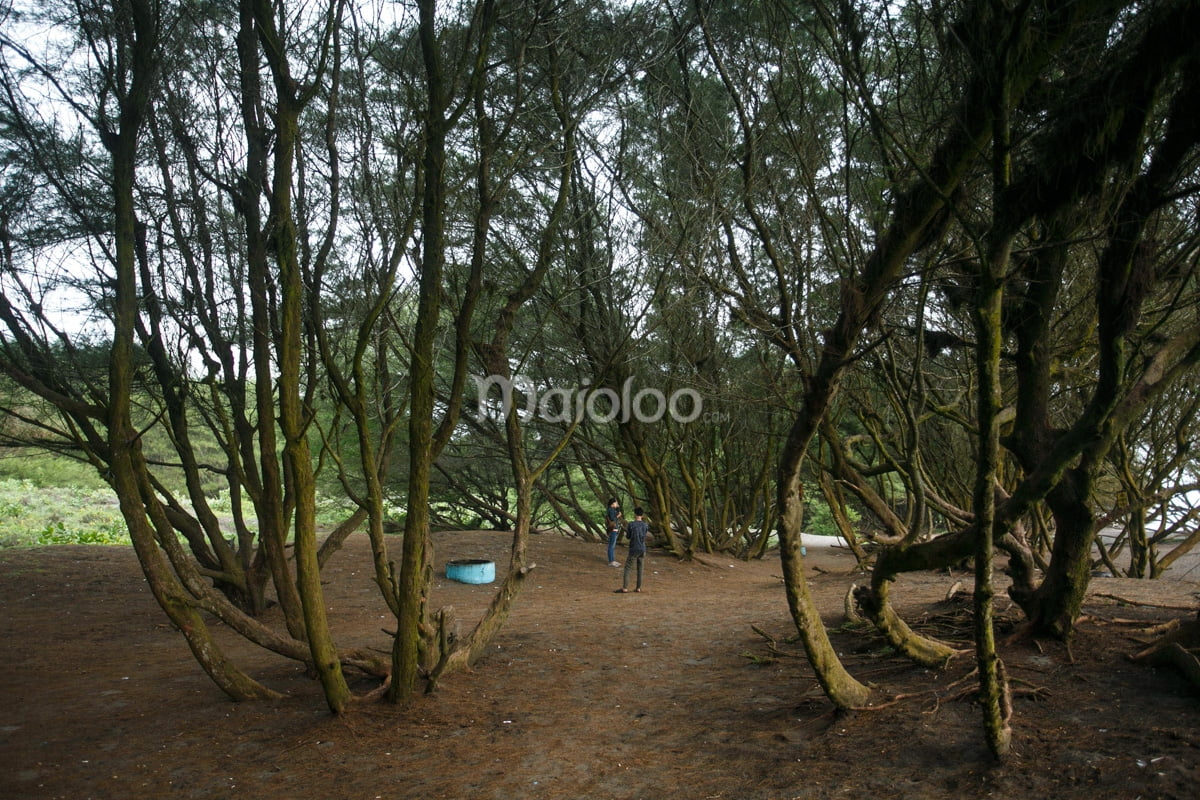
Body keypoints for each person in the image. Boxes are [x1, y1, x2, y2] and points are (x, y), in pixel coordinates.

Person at [616, 507, 650, 593]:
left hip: (634, 548)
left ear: (635, 514)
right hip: (642, 548)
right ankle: (638, 588)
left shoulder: (631, 524)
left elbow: (628, 536)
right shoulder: (645, 525)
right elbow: (644, 535)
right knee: (640, 568)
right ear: (642, 515)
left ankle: (625, 588)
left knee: (628, 567)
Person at [604, 498, 624, 566]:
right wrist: (618, 516)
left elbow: (617, 512)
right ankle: (611, 561)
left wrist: (617, 507)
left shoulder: (613, 509)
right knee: (611, 546)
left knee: (612, 546)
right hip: (612, 529)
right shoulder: (610, 510)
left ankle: (613, 560)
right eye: (616, 503)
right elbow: (613, 519)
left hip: (614, 529)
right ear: (612, 504)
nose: (617, 504)